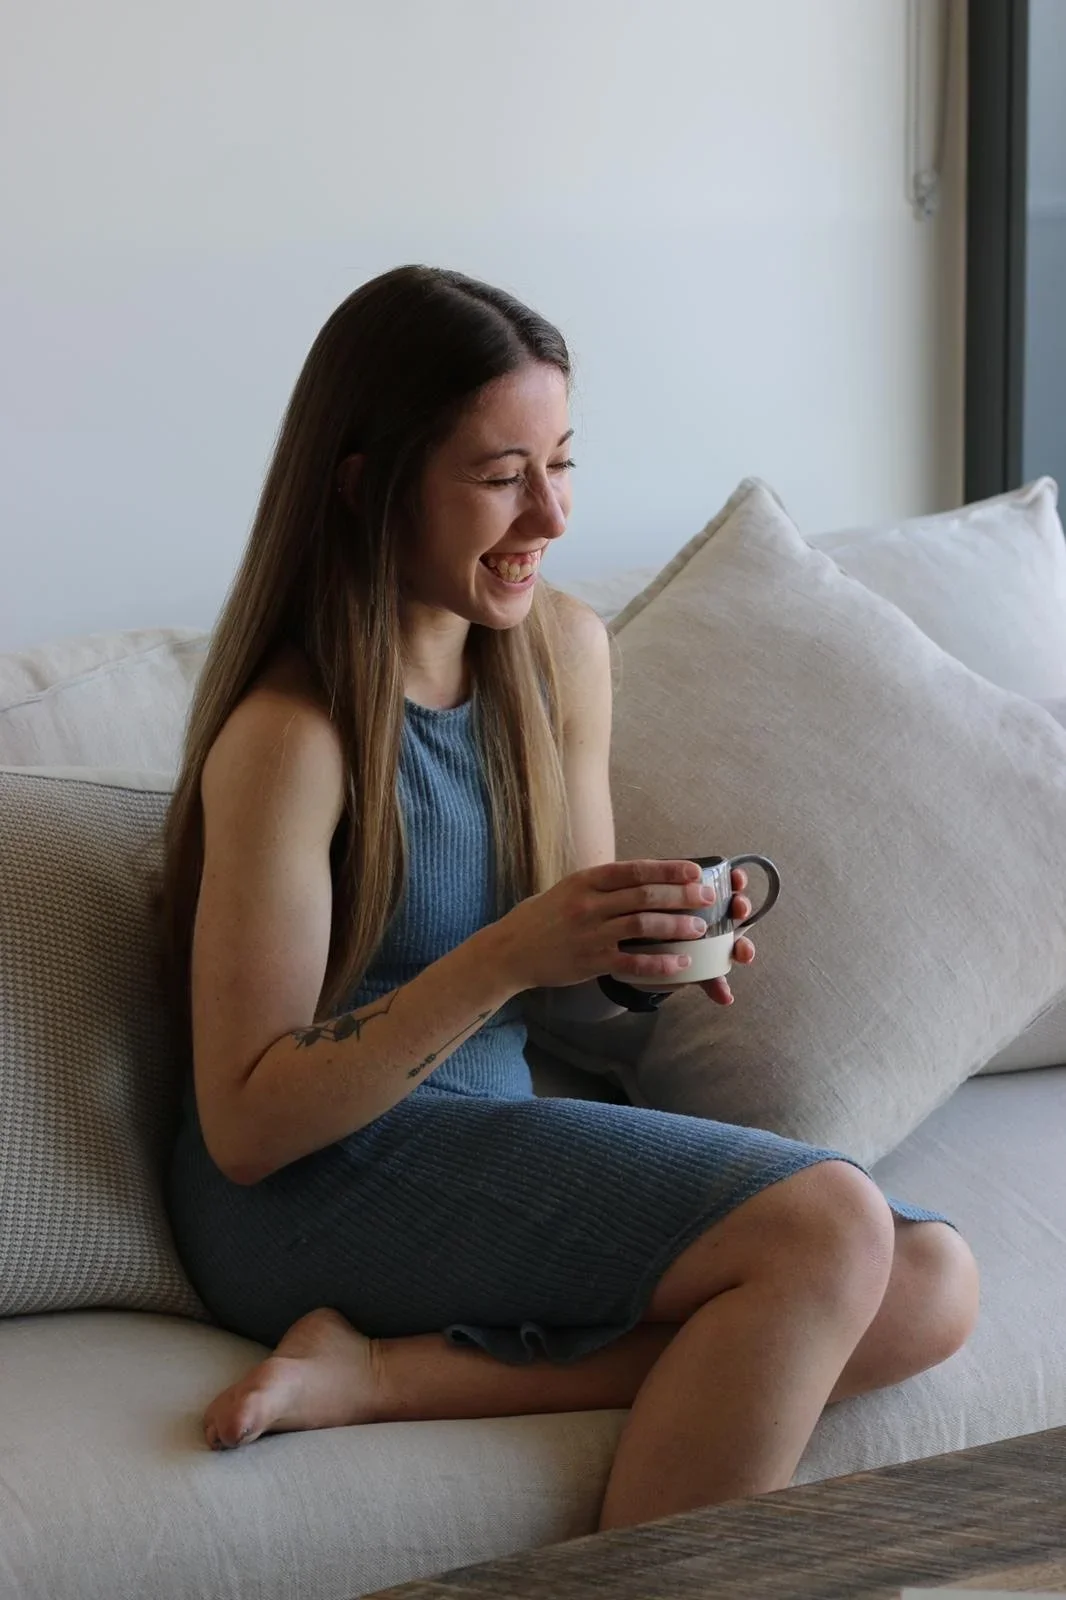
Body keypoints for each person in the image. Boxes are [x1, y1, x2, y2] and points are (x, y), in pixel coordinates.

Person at [161, 265, 978, 1531]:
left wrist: (634, 957)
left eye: (561, 463)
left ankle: (387, 1375)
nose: (547, 512)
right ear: (366, 485)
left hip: (486, 1130)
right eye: (501, 476)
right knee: (829, 1228)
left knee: (926, 1277)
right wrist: (505, 954)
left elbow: (564, 984)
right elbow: (248, 1123)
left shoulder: (560, 651)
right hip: (312, 1187)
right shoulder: (293, 736)